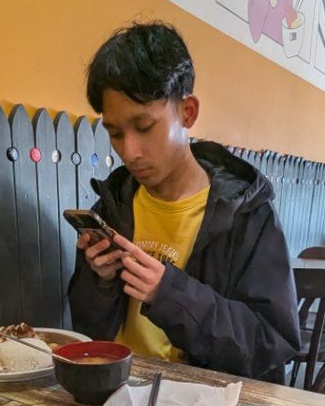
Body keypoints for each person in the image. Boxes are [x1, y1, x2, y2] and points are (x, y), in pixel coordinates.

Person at [67, 22, 301, 383]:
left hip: (203, 402)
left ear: (187, 112)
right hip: (117, 392)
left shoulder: (246, 213)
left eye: (144, 127)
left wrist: (170, 294)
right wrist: (101, 283)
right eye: (115, 133)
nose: (129, 152)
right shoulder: (113, 206)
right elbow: (87, 329)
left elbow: (271, 342)